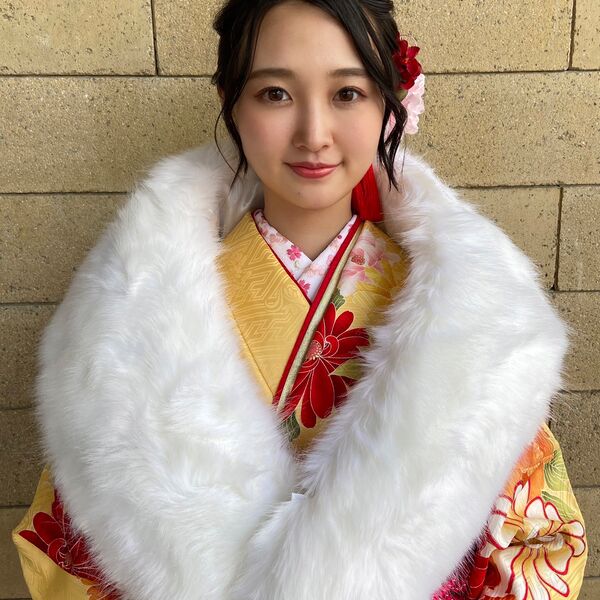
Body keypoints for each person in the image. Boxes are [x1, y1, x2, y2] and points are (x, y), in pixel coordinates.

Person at [12, 1, 587, 599]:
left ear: (388, 105)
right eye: (275, 94)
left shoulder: (473, 321)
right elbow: (65, 549)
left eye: (347, 94)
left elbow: (539, 543)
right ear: (231, 103)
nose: (314, 134)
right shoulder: (137, 319)